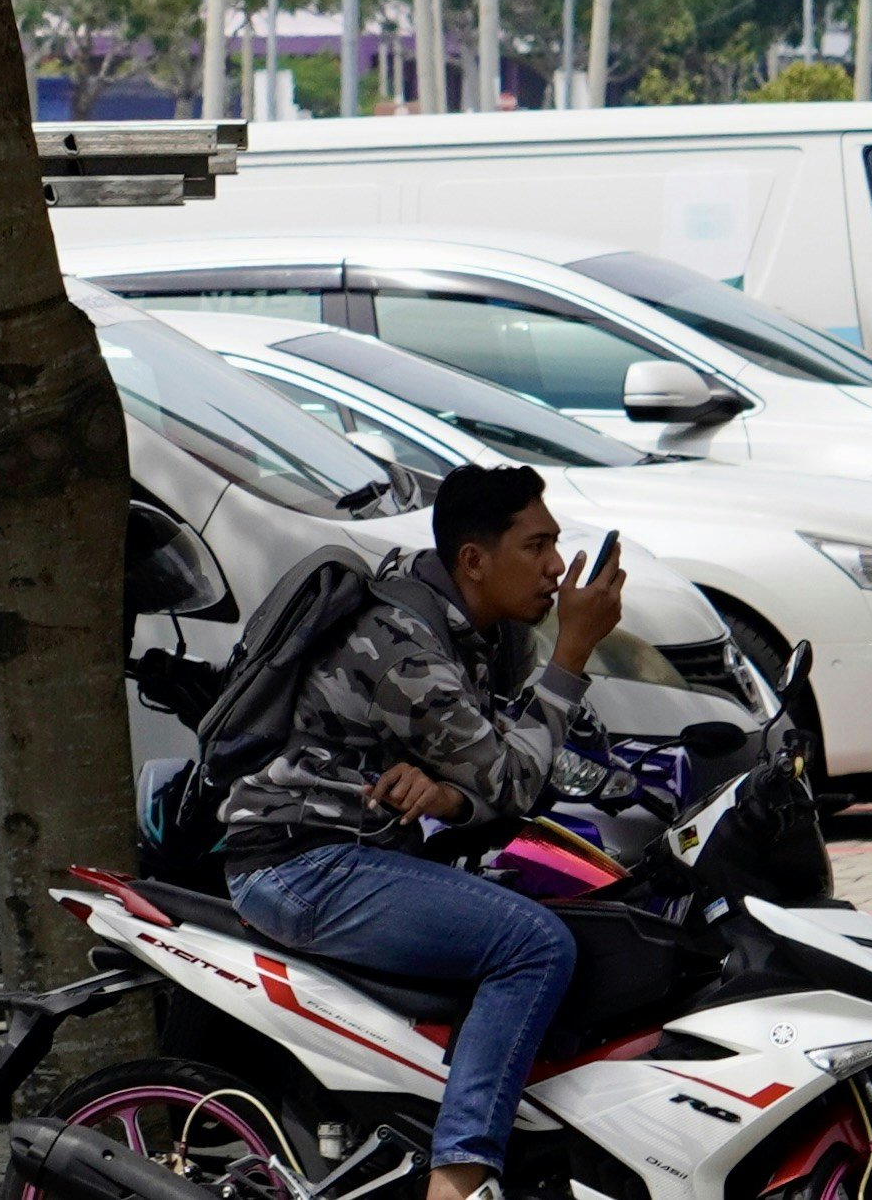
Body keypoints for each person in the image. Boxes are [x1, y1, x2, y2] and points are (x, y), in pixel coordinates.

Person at [210, 462, 631, 1200]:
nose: (557, 568)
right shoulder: (400, 640)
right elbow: (510, 779)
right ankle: (459, 1178)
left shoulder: (458, 626)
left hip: (359, 849)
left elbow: (482, 781)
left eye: (557, 544)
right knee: (533, 945)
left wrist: (449, 794)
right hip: (304, 864)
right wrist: (572, 654)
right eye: (536, 546)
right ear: (474, 559)